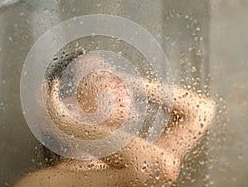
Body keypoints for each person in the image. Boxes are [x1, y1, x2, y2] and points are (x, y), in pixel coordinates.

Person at [15, 54, 216, 186]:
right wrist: (65, 124)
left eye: (115, 74)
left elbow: (201, 110)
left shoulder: (125, 164)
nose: (117, 81)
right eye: (100, 77)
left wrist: (129, 82)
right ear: (67, 106)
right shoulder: (39, 182)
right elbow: (159, 167)